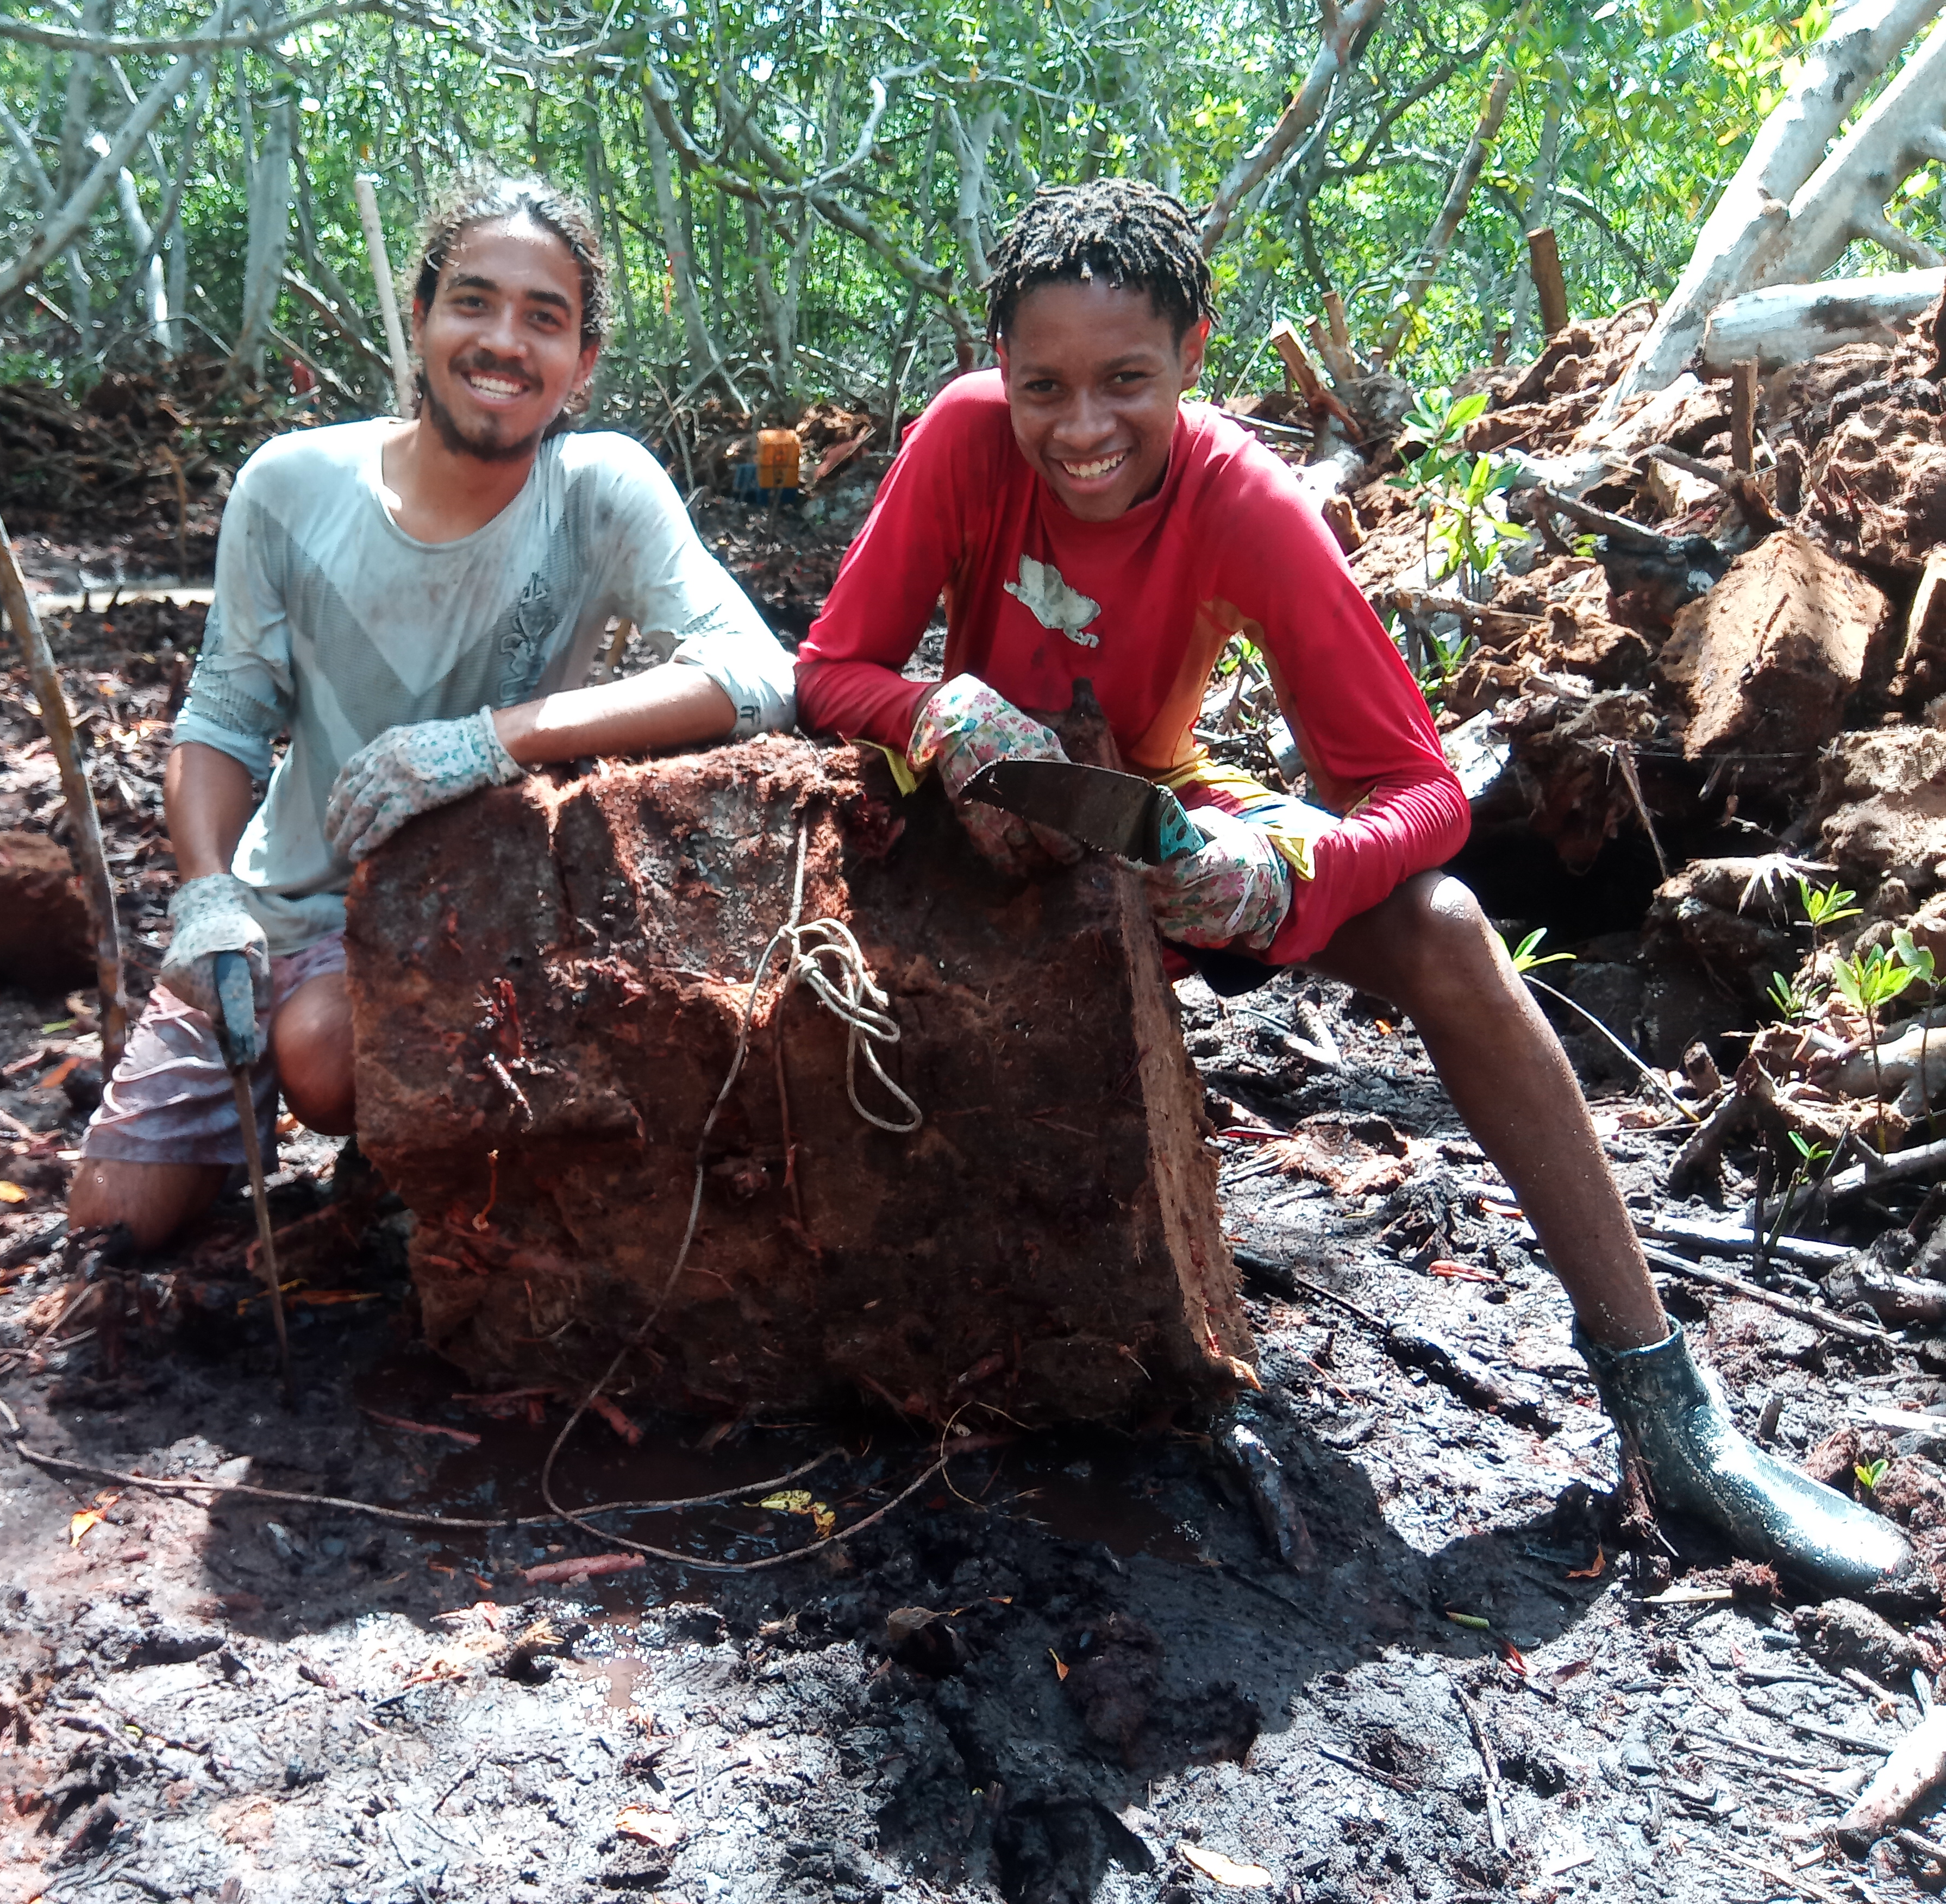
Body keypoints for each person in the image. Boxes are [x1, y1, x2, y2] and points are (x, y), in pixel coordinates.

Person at [793, 178, 1912, 1596]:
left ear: (1195, 358)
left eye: (1126, 382)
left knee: (1445, 929)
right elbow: (828, 671)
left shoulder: (1244, 505)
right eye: (1045, 387)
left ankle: (1670, 1410)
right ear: (999, 370)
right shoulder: (964, 439)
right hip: (954, 829)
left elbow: (1425, 793)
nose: (1082, 428)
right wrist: (938, 713)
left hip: (1141, 820)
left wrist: (1286, 865)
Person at [68, 174, 794, 1252]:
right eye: (471, 302)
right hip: (277, 907)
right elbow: (221, 718)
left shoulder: (597, 491)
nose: (503, 341)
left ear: (581, 364)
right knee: (117, 1223)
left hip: (471, 909)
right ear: (419, 318)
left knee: (323, 1055)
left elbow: (753, 674)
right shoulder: (289, 486)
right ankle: (287, 1109)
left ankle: (411, 1154)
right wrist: (208, 897)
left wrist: (486, 741)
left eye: (543, 319)